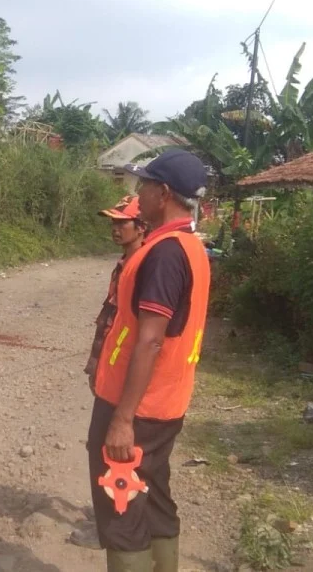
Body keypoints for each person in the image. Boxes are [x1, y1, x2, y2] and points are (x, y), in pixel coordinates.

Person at [85, 149, 211, 572]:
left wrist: (123, 418)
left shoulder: (165, 254)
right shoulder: (187, 247)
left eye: (145, 185)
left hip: (138, 405)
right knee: (153, 495)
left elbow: (151, 340)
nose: (139, 195)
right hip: (164, 402)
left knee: (121, 503)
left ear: (165, 193)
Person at [84, 194, 147, 394]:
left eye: (122, 223)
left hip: (124, 363)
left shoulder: (144, 267)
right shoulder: (124, 263)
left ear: (141, 227)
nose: (115, 229)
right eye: (113, 223)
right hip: (110, 356)